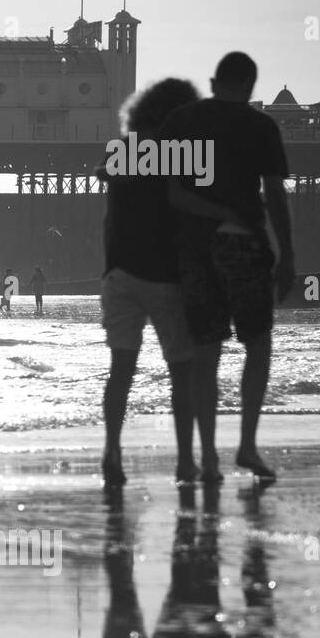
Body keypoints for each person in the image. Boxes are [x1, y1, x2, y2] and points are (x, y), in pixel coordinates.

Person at [160, 52, 295, 483]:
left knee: (206, 354)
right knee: (257, 345)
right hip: (243, 247)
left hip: (196, 251)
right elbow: (274, 194)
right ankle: (248, 447)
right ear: (251, 86)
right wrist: (287, 253)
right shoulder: (261, 126)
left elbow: (163, 186)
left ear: (216, 81)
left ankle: (209, 459)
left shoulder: (183, 120)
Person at [98, 77, 203, 486]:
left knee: (121, 368)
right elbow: (186, 206)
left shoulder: (124, 150)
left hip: (119, 272)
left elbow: (110, 195)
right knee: (181, 369)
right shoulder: (183, 155)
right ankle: (184, 460)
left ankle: (112, 450)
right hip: (163, 275)